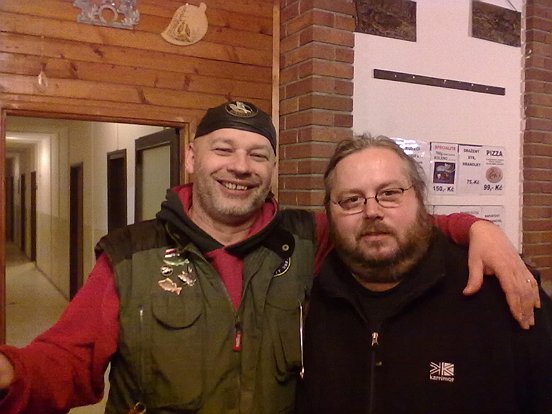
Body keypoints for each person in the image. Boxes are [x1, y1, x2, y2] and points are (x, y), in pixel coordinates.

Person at [0, 102, 539, 413]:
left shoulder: (306, 238)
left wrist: (478, 228)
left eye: (258, 154)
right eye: (223, 149)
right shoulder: (130, 254)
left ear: (272, 168)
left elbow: (384, 222)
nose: (241, 166)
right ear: (191, 157)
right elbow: (67, 361)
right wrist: (10, 373)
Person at [295, 135, 552, 414]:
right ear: (328, 213)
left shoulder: (502, 294)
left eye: (390, 193)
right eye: (351, 200)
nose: (372, 211)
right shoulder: (304, 295)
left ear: (419, 198)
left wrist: (479, 227)